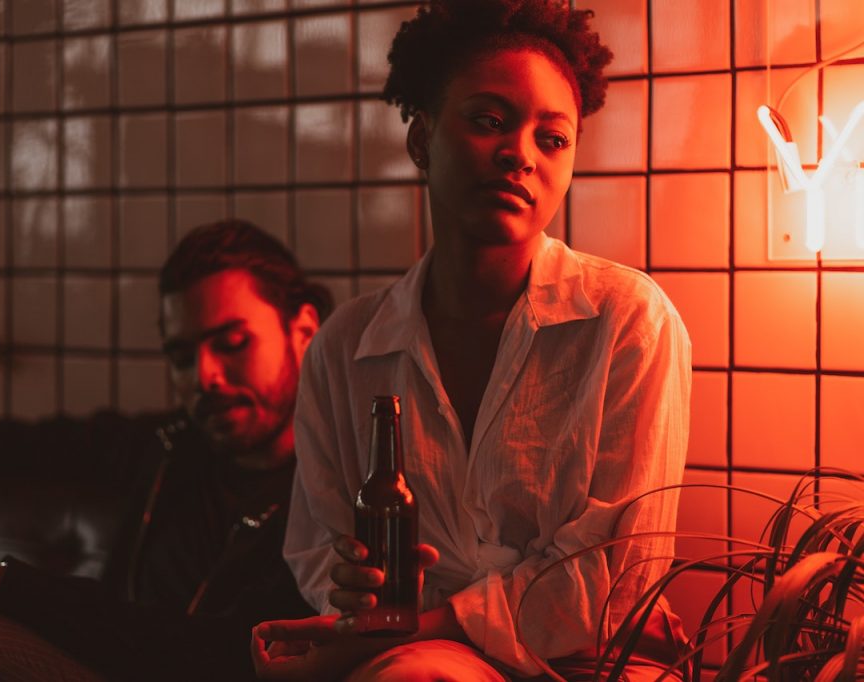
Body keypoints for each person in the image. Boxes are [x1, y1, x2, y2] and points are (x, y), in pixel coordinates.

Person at [251, 1, 692, 680]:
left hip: (583, 666)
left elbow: (613, 581)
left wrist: (421, 627)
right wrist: (351, 587)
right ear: (421, 140)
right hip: (409, 660)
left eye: (553, 139)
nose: (520, 155)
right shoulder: (347, 347)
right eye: (489, 121)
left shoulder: (627, 320)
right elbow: (317, 547)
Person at [0, 220, 329, 681]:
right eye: (182, 357)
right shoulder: (175, 448)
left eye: (232, 343)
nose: (205, 376)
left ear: (304, 330)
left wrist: (7, 585)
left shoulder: (333, 492)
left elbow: (226, 648)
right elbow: (73, 442)